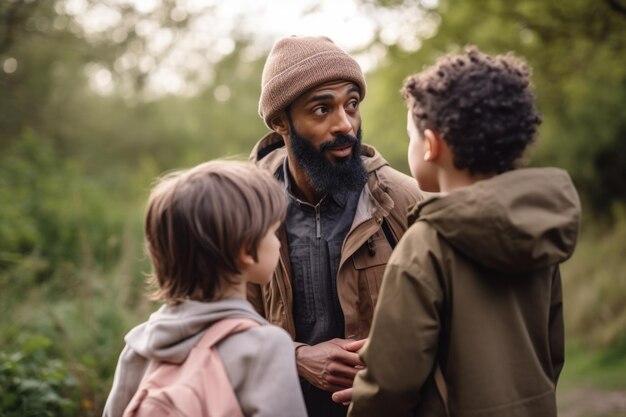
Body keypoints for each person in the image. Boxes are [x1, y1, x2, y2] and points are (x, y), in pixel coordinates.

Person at [345, 46, 581, 416]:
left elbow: (391, 382)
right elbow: (551, 354)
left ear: (432, 145)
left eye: (412, 136)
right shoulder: (539, 227)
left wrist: (365, 397)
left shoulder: (427, 244)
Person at [246, 35, 424, 417]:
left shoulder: (404, 201)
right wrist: (293, 357)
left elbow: (447, 326)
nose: (345, 124)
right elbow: (222, 323)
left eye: (352, 104)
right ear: (281, 121)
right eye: (322, 109)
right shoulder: (245, 210)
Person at [102, 160, 307, 417]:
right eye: (274, 232)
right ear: (246, 250)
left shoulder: (140, 344)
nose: (278, 244)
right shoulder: (265, 346)